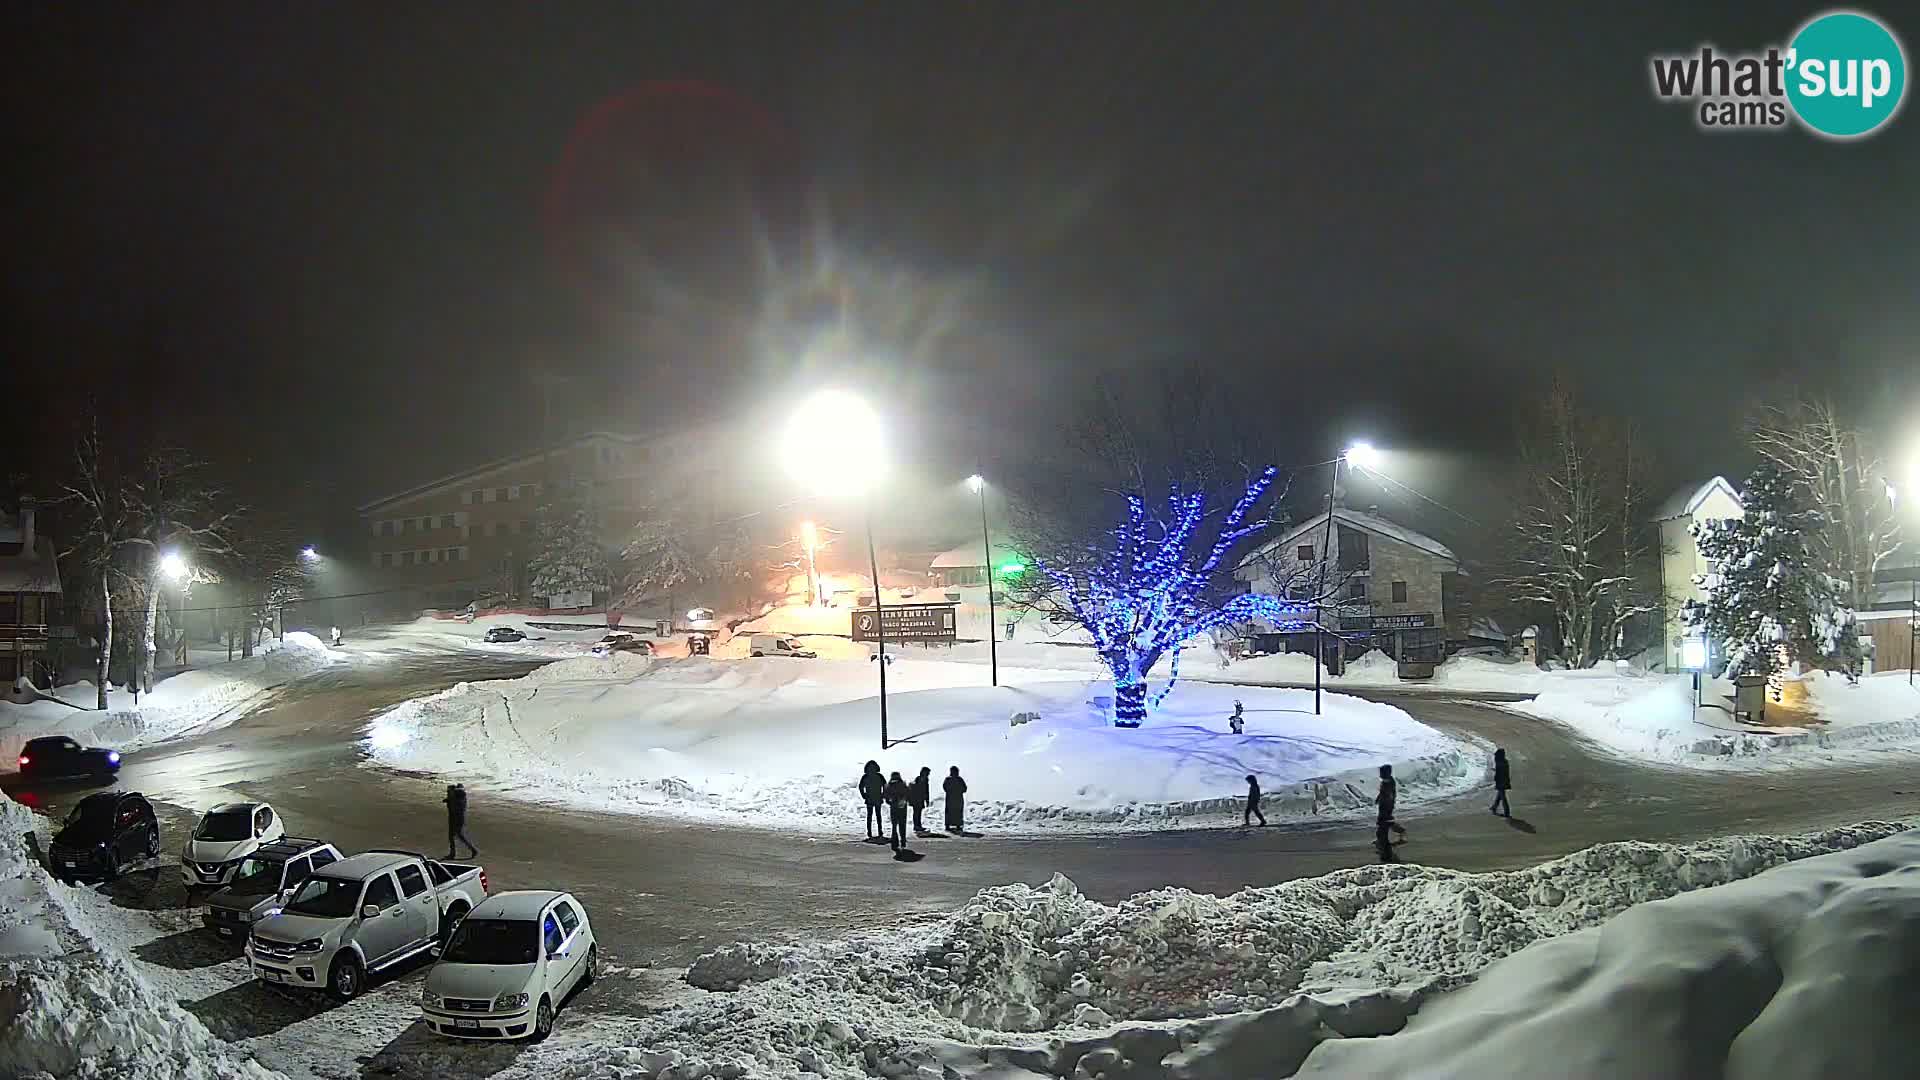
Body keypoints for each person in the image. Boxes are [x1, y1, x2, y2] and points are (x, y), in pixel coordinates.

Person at [1374, 764, 1407, 850]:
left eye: (1381, 773)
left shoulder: (1388, 783)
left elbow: (1389, 795)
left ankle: (1383, 841)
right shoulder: (1386, 781)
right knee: (1385, 822)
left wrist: (1387, 802)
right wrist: (1378, 798)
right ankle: (1382, 840)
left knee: (1384, 822)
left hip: (1386, 806)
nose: (1380, 774)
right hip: (1385, 805)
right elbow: (1383, 792)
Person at [444, 783, 478, 859]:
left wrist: (449, 800)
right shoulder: (457, 798)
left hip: (457, 818)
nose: (447, 792)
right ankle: (453, 853)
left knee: (459, 835)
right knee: (453, 836)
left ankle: (473, 849)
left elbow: (454, 807)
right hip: (455, 817)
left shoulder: (458, 798)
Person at [884, 771, 912, 852]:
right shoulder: (903, 784)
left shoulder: (889, 785)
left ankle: (894, 841)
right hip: (902, 807)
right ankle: (903, 840)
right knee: (902, 825)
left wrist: (890, 802)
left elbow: (886, 795)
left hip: (894, 806)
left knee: (894, 825)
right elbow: (908, 793)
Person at [859, 761, 886, 839]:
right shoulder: (879, 776)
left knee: (870, 816)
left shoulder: (866, 776)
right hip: (877, 797)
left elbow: (861, 787)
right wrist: (883, 794)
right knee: (878, 816)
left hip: (870, 798)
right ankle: (879, 831)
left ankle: (869, 832)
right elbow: (885, 785)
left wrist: (864, 795)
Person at [943, 766, 968, 833]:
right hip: (956, 799)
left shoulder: (949, 779)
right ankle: (956, 826)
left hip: (952, 799)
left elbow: (945, 787)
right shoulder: (958, 779)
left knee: (953, 812)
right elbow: (964, 789)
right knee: (956, 812)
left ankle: (950, 826)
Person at [909, 766, 933, 834]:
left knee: (918, 812)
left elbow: (926, 790)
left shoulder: (924, 779)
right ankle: (916, 826)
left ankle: (918, 826)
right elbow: (923, 790)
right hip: (917, 798)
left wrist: (927, 800)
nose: (928, 774)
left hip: (920, 798)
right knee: (917, 812)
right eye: (927, 773)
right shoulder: (919, 779)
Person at [1490, 748, 1512, 817]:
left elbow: (1499, 773)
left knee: (1503, 797)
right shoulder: (1504, 762)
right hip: (1504, 781)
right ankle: (1494, 806)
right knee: (1500, 795)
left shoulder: (1500, 763)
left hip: (1501, 782)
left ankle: (1507, 812)